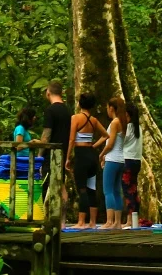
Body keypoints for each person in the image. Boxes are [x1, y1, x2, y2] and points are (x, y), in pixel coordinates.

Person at [66, 93, 109, 229]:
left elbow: (72, 139)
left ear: (79, 104)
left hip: (81, 155)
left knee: (82, 188)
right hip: (91, 155)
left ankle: (81, 222)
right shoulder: (94, 120)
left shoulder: (75, 118)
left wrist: (67, 157)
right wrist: (93, 145)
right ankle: (92, 222)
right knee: (91, 188)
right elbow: (106, 135)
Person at [40, 80, 72, 224]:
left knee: (47, 186)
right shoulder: (67, 110)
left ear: (48, 92)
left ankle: (48, 220)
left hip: (51, 154)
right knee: (61, 186)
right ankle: (63, 221)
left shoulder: (50, 110)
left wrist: (40, 154)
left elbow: (46, 134)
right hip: (63, 152)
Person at [99, 98, 127, 229]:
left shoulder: (115, 122)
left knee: (108, 190)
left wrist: (102, 154)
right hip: (121, 160)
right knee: (116, 191)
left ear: (111, 108)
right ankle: (117, 222)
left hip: (112, 159)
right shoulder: (123, 122)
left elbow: (110, 144)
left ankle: (109, 221)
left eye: (107, 108)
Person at [121, 103, 143, 228]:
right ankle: (135, 217)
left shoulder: (128, 128)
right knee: (134, 189)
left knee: (127, 190)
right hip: (137, 160)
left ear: (127, 114)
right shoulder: (138, 127)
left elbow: (122, 143)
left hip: (127, 160)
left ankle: (130, 220)